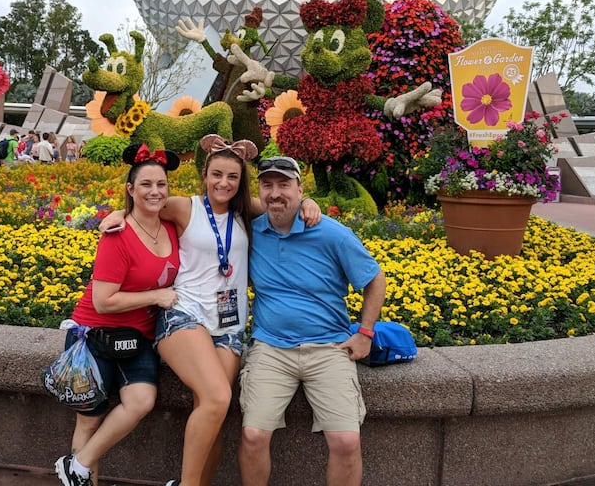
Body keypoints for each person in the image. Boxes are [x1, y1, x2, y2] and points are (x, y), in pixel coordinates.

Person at [100, 136, 320, 486]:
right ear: (205, 174)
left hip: (229, 325)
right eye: (217, 174)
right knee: (219, 397)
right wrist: (117, 212)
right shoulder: (184, 207)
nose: (224, 183)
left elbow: (282, 202)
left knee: (213, 411)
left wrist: (307, 201)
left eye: (232, 177)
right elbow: (145, 201)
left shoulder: (245, 209)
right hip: (184, 314)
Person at [237, 155, 387, 486]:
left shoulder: (332, 233)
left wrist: (365, 332)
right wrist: (126, 212)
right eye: (267, 185)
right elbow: (214, 198)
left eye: (284, 185)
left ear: (300, 189)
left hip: (330, 348)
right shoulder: (251, 230)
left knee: (346, 441)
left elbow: (375, 279)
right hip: (271, 349)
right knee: (252, 435)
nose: (275, 193)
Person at [55, 142, 182, 486]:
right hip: (95, 335)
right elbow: (103, 301)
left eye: (161, 185)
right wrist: (157, 295)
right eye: (146, 184)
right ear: (130, 189)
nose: (155, 191)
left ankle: (77, 465)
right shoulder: (117, 234)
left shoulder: (171, 226)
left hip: (138, 337)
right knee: (89, 421)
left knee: (141, 401)